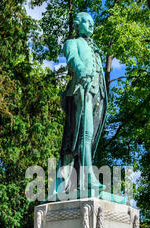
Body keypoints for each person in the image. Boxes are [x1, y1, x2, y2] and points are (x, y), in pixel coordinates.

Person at [59, 12, 107, 193]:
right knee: (84, 135)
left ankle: (83, 176)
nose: (91, 25)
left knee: (91, 138)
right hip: (81, 91)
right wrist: (82, 71)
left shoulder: (95, 49)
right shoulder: (72, 43)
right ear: (78, 25)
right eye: (86, 22)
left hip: (97, 95)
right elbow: (73, 60)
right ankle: (88, 178)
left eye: (92, 22)